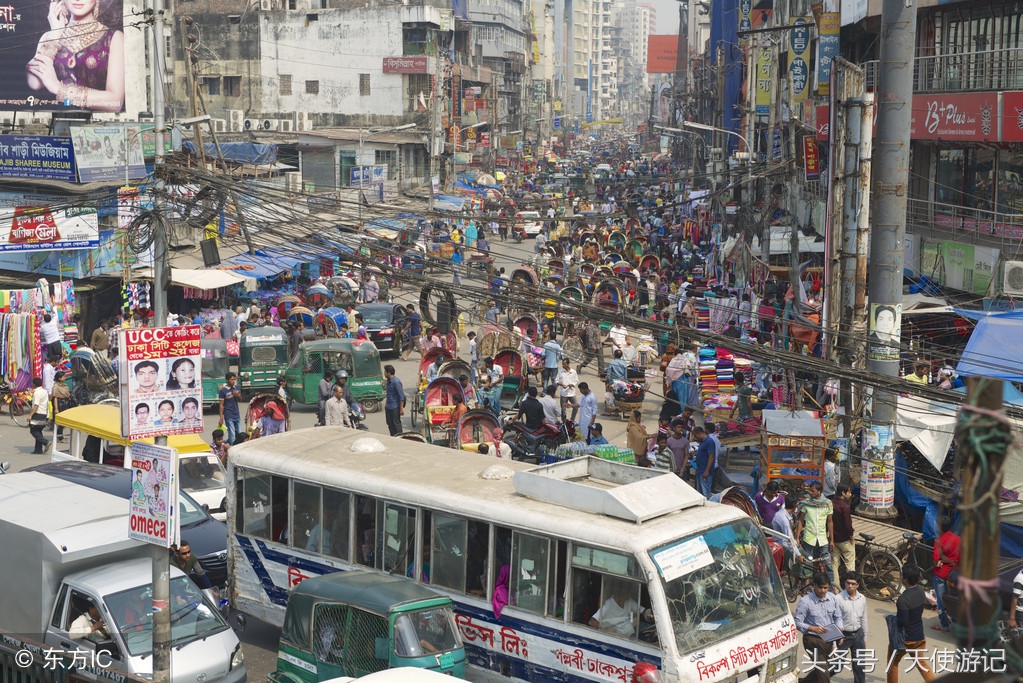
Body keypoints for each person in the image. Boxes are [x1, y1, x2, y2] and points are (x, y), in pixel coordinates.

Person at [887, 565, 935, 683]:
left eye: (902, 575)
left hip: (905, 639)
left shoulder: (903, 600)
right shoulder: (920, 591)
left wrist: (892, 619)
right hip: (919, 637)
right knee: (921, 664)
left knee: (893, 664)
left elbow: (903, 621)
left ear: (905, 580)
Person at [793, 572, 843, 683]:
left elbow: (838, 617)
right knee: (824, 675)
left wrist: (839, 627)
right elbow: (797, 622)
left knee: (828, 669)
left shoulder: (832, 598)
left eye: (826, 588)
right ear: (814, 585)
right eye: (821, 587)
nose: (824, 591)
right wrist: (812, 628)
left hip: (829, 639)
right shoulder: (805, 602)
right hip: (812, 640)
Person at [796, 480, 835, 589]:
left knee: (827, 564)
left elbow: (830, 522)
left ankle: (832, 587)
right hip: (809, 538)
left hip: (823, 539)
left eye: (813, 491)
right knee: (807, 563)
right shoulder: (806, 503)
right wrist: (798, 537)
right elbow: (800, 520)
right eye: (810, 491)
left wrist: (832, 540)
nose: (811, 493)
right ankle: (805, 586)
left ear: (820, 491)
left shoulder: (828, 503)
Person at [587, 580, 652, 637]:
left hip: (633, 630)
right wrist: (605, 629)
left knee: (651, 630)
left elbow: (643, 611)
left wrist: (649, 614)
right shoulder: (608, 605)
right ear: (620, 592)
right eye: (626, 593)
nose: (628, 596)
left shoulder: (629, 600)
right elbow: (592, 622)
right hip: (624, 637)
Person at [837, 571, 868, 683]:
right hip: (843, 636)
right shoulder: (838, 599)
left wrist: (864, 638)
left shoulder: (862, 599)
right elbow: (834, 621)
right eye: (847, 583)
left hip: (858, 634)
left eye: (853, 584)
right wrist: (833, 643)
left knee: (859, 665)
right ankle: (814, 678)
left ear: (858, 585)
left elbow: (864, 618)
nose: (849, 586)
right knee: (837, 665)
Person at [931, 515, 960, 632]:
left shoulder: (939, 541)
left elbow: (936, 557)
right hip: (954, 575)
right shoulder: (958, 539)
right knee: (952, 598)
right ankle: (954, 621)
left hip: (941, 574)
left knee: (941, 600)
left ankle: (944, 624)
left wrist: (938, 562)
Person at [831, 484, 855, 586]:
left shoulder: (830, 503)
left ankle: (836, 588)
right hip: (844, 539)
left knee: (834, 565)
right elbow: (848, 525)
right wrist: (851, 537)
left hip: (833, 539)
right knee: (850, 565)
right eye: (849, 492)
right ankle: (851, 586)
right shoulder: (845, 507)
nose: (850, 494)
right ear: (843, 493)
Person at [772, 495, 802, 569]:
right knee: (802, 563)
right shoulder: (783, 519)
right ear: (795, 506)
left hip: (787, 543)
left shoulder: (786, 513)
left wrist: (796, 543)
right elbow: (789, 538)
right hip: (781, 545)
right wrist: (798, 555)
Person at [218, 372, 242, 444]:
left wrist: (237, 395)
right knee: (232, 435)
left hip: (237, 415)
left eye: (234, 379)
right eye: (231, 379)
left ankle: (225, 443)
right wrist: (221, 418)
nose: (233, 381)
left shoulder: (236, 388)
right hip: (229, 415)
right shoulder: (223, 391)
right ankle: (230, 449)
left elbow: (241, 400)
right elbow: (221, 405)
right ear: (227, 380)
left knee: (239, 434)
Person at [29, 377, 50, 454]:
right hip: (44, 413)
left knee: (33, 430)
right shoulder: (44, 391)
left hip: (38, 414)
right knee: (39, 430)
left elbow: (36, 405)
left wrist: (30, 415)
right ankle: (38, 449)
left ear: (34, 384)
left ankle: (45, 442)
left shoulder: (37, 393)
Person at [691, 426, 714, 496]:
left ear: (699, 434)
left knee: (706, 492)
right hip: (700, 470)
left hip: (705, 471)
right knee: (699, 492)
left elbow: (711, 457)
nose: (695, 438)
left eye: (695, 435)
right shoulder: (702, 442)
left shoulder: (709, 441)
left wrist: (707, 471)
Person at [384, 364, 405, 436]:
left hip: (395, 407)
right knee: (390, 424)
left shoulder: (396, 382)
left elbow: (401, 396)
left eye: (385, 372)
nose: (384, 374)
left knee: (396, 424)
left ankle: (400, 438)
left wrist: (401, 408)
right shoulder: (388, 381)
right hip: (388, 406)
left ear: (388, 373)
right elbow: (388, 394)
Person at [51, 370, 72, 442]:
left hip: (65, 404)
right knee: (59, 422)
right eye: (63, 377)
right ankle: (60, 438)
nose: (65, 378)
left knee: (63, 422)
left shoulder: (64, 385)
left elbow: (67, 394)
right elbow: (55, 397)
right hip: (59, 405)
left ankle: (60, 435)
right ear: (59, 378)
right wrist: (56, 409)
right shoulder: (56, 386)